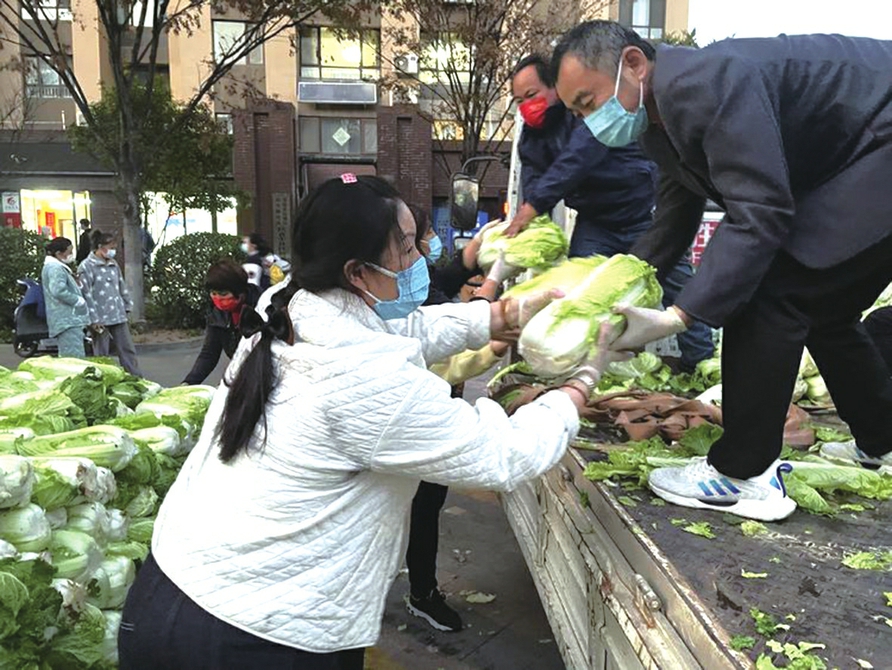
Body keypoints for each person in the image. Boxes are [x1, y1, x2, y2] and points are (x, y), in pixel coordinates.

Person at [118, 175, 622, 669]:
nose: (421, 260)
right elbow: (504, 455)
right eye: (406, 248)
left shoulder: (290, 306)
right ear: (357, 272)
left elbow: (402, 329)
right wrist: (577, 385)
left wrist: (496, 316)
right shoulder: (367, 380)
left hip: (175, 589)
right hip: (256, 636)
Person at [551, 21, 892, 521]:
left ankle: (742, 475)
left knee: (770, 293)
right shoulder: (658, 118)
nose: (588, 121)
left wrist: (680, 315)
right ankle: (883, 441)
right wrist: (622, 286)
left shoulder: (707, 84)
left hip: (881, 147)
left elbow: (761, 211)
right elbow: (676, 211)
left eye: (588, 101)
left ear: (633, 63)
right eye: (577, 112)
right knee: (826, 311)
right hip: (864, 156)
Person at [507, 54, 714, 371]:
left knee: (678, 288)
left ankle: (699, 363)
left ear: (554, 87)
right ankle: (591, 369)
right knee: (579, 295)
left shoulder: (584, 112)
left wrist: (532, 205)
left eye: (532, 95)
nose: (526, 106)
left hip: (642, 214)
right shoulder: (532, 139)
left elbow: (578, 158)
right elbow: (534, 184)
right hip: (595, 223)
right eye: (519, 100)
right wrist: (531, 238)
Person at [403, 206, 509, 632]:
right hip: (412, 419)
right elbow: (450, 358)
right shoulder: (395, 302)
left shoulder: (409, 280)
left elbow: (441, 283)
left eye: (421, 235)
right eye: (416, 238)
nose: (425, 245)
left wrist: (478, 255)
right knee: (405, 506)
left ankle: (421, 592)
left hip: (430, 412)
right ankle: (414, 591)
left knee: (426, 506)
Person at [182, 260, 261, 385]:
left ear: (240, 292)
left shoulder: (263, 308)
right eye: (213, 294)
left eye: (224, 294)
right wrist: (189, 382)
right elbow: (209, 354)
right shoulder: (216, 314)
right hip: (240, 372)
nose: (218, 299)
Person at [78, 230, 143, 376]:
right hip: (100, 319)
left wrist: (127, 305)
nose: (113, 251)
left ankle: (136, 377)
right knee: (102, 354)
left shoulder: (113, 264)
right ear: (100, 246)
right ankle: (103, 380)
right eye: (111, 247)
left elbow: (121, 286)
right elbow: (86, 294)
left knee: (127, 349)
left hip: (118, 314)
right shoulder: (86, 266)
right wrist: (93, 319)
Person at [41, 237, 90, 358]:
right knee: (73, 358)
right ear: (58, 253)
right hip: (67, 319)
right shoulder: (55, 268)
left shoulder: (55, 267)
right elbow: (58, 291)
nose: (71, 255)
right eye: (69, 252)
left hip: (67, 319)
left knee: (70, 356)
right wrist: (77, 300)